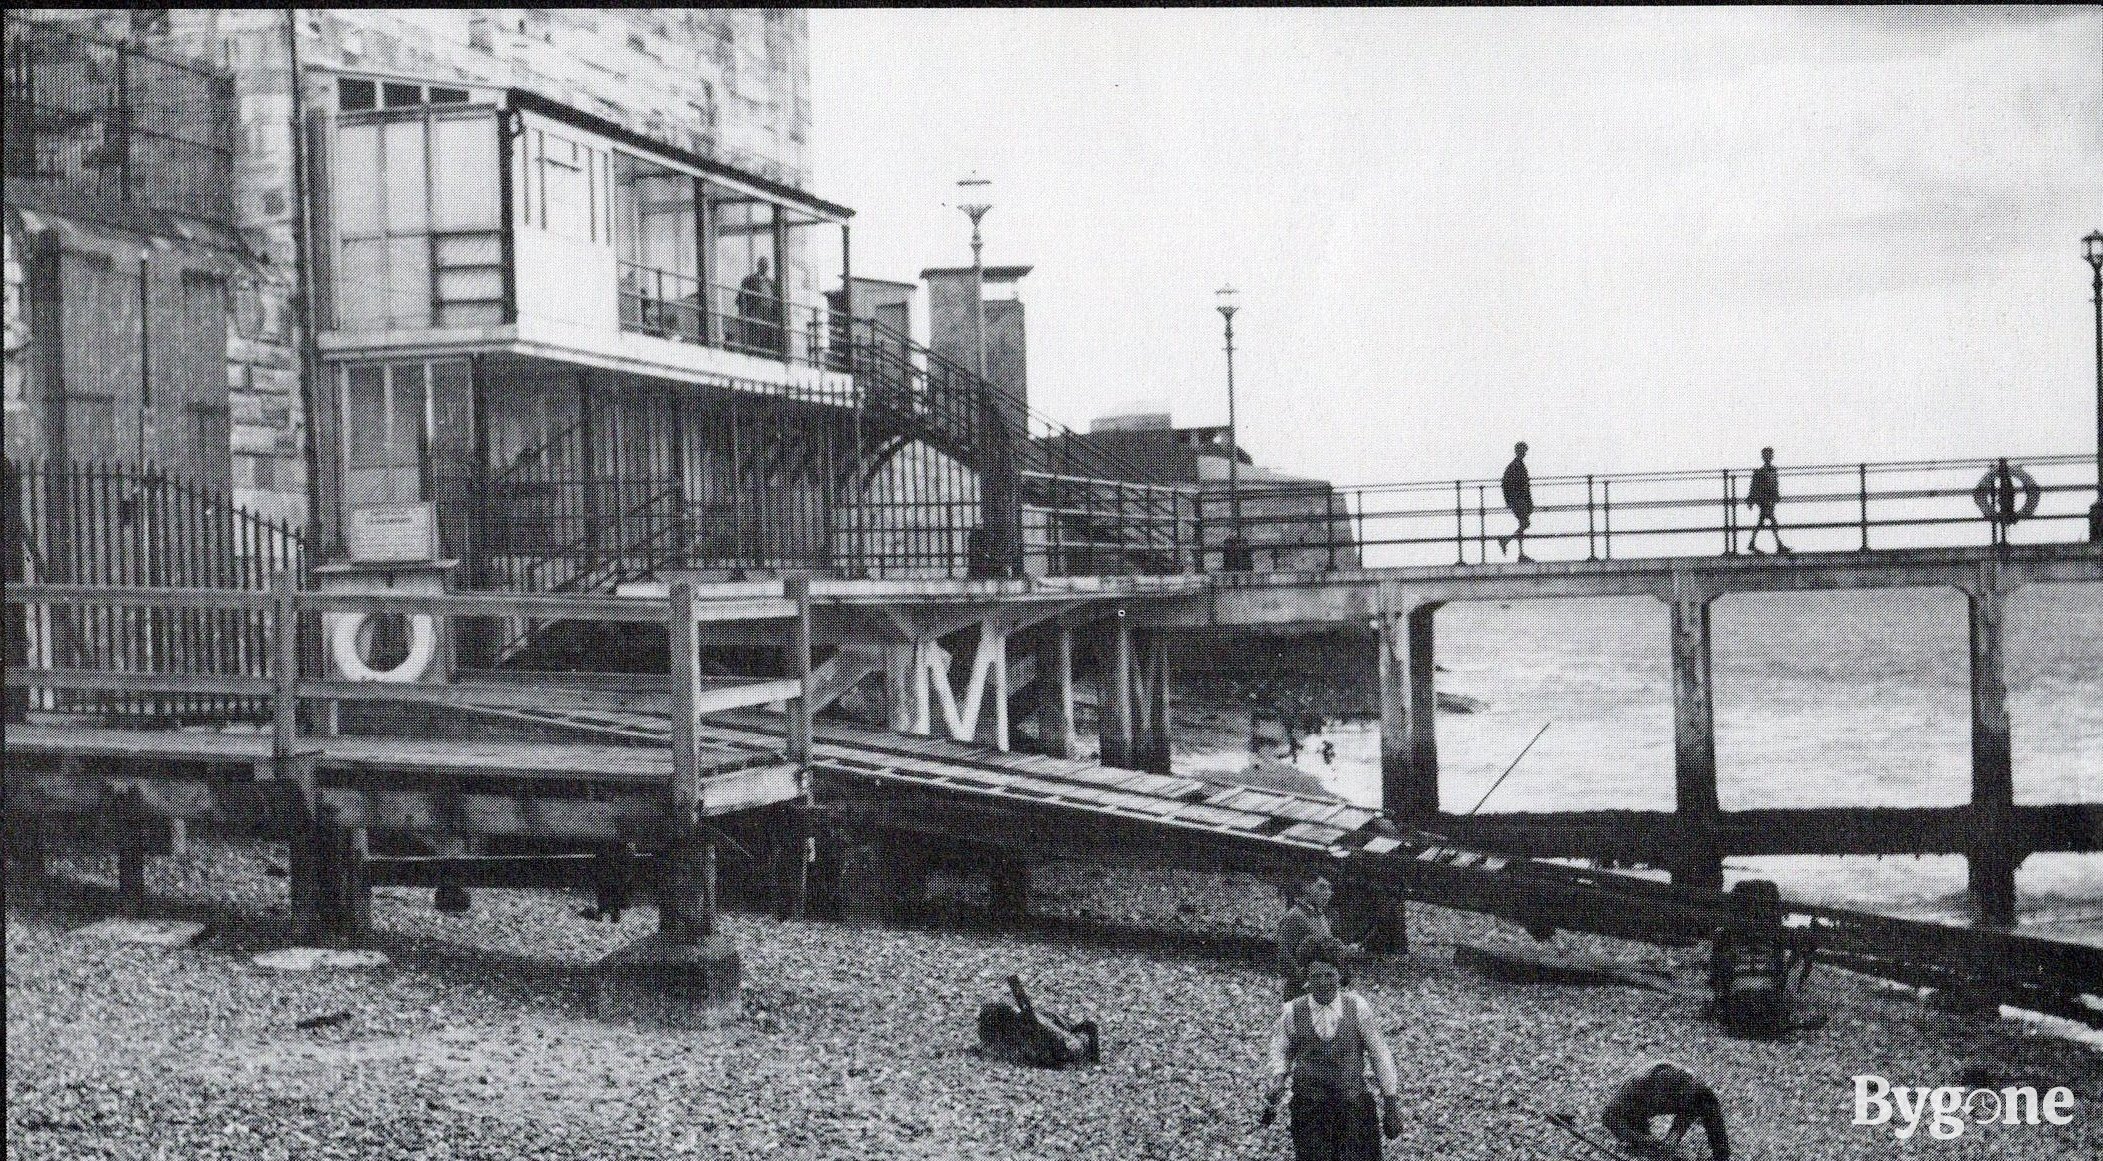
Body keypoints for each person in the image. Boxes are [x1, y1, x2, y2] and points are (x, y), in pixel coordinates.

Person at [1262, 952, 1403, 1160]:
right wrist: (1278, 1079)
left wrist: (1391, 1105)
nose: (1323, 982)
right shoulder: (1293, 1011)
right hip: (1310, 1107)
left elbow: (1380, 1055)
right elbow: (1281, 1048)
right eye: (1316, 976)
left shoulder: (1358, 1009)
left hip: (1353, 1106)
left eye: (1329, 975)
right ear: (1307, 977)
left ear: (1340, 975)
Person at [1707, 879, 1816, 1039]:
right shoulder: (1777, 934)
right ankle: (1782, 1008)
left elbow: (1717, 975)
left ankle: (1723, 1005)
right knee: (1796, 957)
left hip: (1737, 1012)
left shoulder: (1727, 934)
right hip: (1770, 1011)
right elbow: (1804, 954)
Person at [1601, 1061, 1730, 1160]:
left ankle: (1721, 1156)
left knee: (1708, 1102)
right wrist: (1638, 1138)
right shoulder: (1635, 1086)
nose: (1670, 1098)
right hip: (1638, 1110)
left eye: (1674, 1095)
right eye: (1666, 1095)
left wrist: (1674, 1136)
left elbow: (1690, 1109)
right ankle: (1641, 1142)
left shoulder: (1692, 1085)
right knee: (1644, 1144)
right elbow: (1608, 1116)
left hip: (1680, 1094)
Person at [1742, 447, 1789, 555]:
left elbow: (1775, 485)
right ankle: (1779, 545)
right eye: (1766, 455)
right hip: (1764, 500)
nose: (1768, 457)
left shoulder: (1772, 470)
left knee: (1762, 522)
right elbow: (1755, 487)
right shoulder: (1761, 471)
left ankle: (1753, 543)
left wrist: (1776, 495)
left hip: (1769, 499)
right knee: (1771, 521)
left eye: (1769, 455)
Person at [1496, 442, 1534, 561]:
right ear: (1518, 451)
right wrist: (1516, 500)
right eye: (1523, 450)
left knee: (1523, 524)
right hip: (1519, 500)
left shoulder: (1515, 465)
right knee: (1524, 524)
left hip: (1518, 500)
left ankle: (1516, 550)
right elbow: (1521, 486)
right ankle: (1507, 543)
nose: (1524, 453)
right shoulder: (1516, 466)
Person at [736, 256, 779, 353]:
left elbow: (776, 302)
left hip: (768, 314)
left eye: (766, 265)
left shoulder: (771, 283)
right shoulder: (749, 280)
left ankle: (766, 353)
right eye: (762, 265)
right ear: (758, 266)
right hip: (755, 312)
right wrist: (743, 315)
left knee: (766, 336)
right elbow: (740, 299)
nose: (764, 267)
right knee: (755, 336)